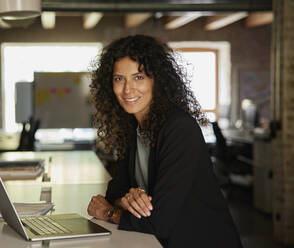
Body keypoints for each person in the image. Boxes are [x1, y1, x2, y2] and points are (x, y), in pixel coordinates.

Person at [87, 34, 243, 248]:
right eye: (119, 79)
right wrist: (125, 200)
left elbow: (159, 221)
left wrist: (109, 212)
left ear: (157, 80)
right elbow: (116, 190)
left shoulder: (179, 129)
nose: (127, 89)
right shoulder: (133, 128)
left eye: (138, 77)